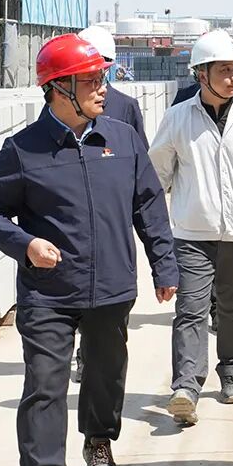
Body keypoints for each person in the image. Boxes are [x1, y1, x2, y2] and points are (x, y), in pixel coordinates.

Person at [0, 34, 178, 466]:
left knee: (106, 374)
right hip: (48, 293)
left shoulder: (122, 139)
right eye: (91, 81)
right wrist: (25, 245)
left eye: (102, 78)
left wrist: (164, 264)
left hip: (111, 285)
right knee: (45, 386)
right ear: (59, 88)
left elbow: (148, 205)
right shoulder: (22, 150)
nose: (103, 88)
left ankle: (99, 441)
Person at [149, 30, 233, 426]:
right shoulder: (178, 118)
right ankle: (186, 387)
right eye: (224, 70)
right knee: (190, 309)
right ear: (201, 75)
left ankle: (232, 371)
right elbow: (158, 174)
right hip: (192, 233)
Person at [67, 26, 149, 384]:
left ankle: (102, 357)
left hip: (114, 217)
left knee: (113, 297)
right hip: (77, 217)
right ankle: (85, 355)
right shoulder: (65, 103)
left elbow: (140, 164)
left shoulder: (125, 107)